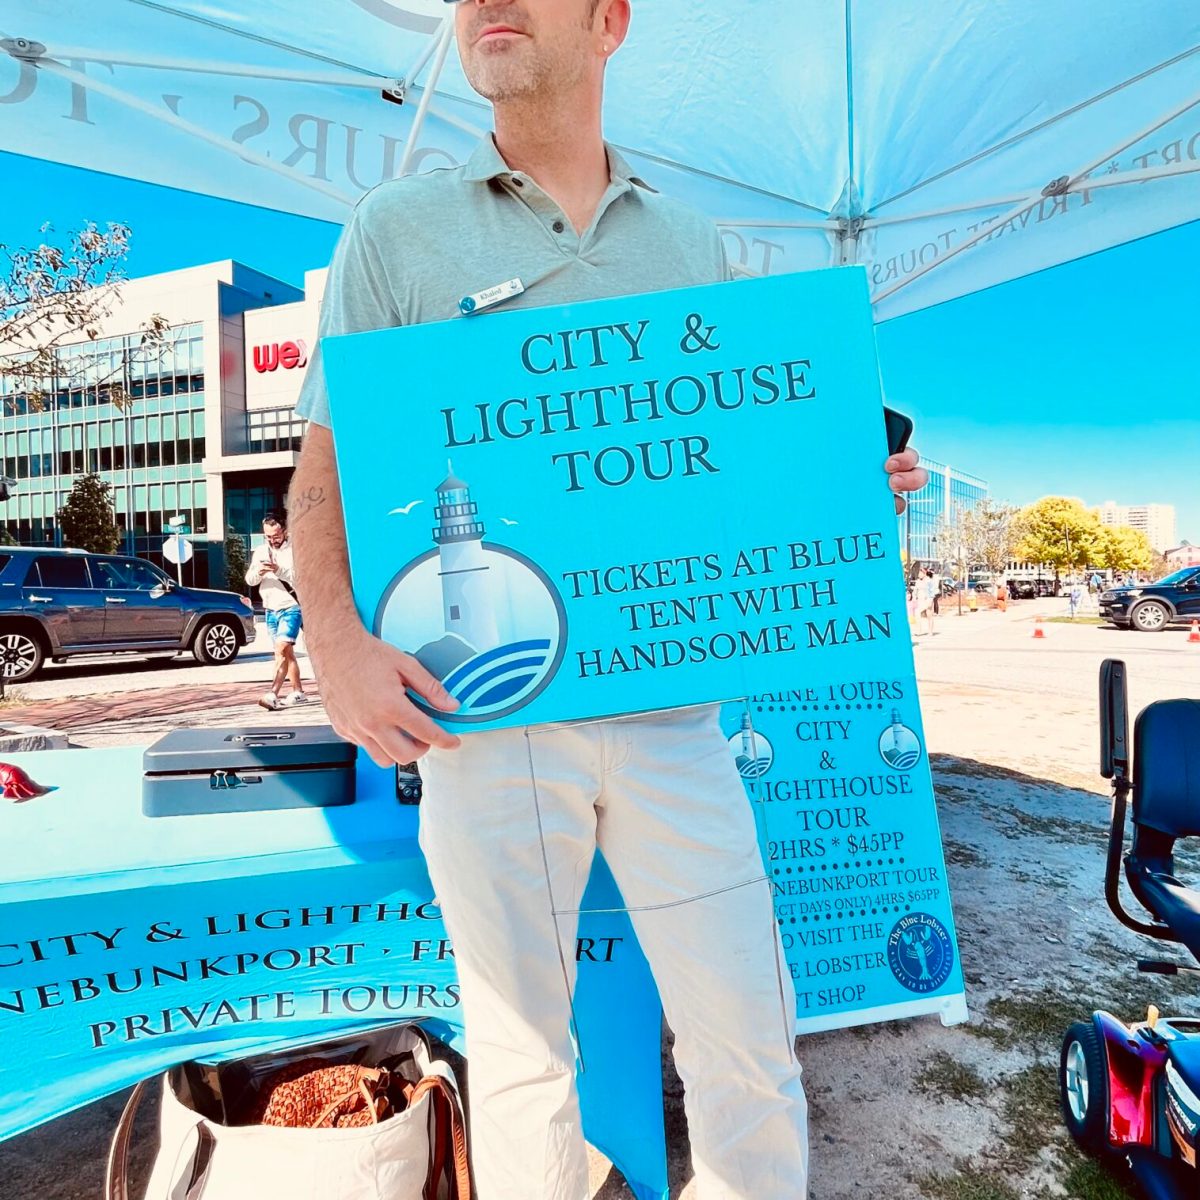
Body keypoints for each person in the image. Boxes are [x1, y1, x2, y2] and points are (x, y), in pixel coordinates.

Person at [287, 3, 928, 1196]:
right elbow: (325, 460)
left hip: (675, 716)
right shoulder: (394, 229)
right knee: (522, 1058)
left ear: (609, 23)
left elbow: (746, 468)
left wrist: (843, 496)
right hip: (487, 716)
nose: (484, 4)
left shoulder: (698, 250)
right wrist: (332, 636)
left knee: (748, 1036)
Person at [245, 511, 308, 710]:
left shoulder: (295, 550)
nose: (272, 540)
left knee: (281, 649)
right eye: (268, 536)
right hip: (270, 609)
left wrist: (278, 569)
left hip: (291, 606)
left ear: (285, 531)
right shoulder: (261, 552)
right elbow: (249, 580)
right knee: (285, 653)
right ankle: (298, 692)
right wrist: (259, 572)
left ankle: (272, 694)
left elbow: (301, 579)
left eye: (276, 535)